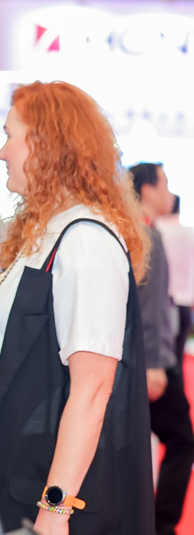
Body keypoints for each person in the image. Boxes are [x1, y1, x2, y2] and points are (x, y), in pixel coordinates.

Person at [0, 81, 154, 535]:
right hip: (10, 455)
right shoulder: (50, 230)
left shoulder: (85, 240)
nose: (2, 152)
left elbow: (94, 386)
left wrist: (56, 507)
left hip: (41, 476)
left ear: (47, 144)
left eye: (10, 136)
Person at [130, 164, 194, 535]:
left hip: (143, 353)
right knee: (182, 440)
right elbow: (149, 306)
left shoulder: (137, 230)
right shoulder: (145, 234)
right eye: (165, 184)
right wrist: (154, 363)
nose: (170, 192)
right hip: (150, 358)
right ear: (148, 190)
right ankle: (161, 525)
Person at [156, 194, 194, 371]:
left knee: (159, 364)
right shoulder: (189, 234)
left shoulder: (157, 230)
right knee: (177, 363)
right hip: (184, 304)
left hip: (162, 304)